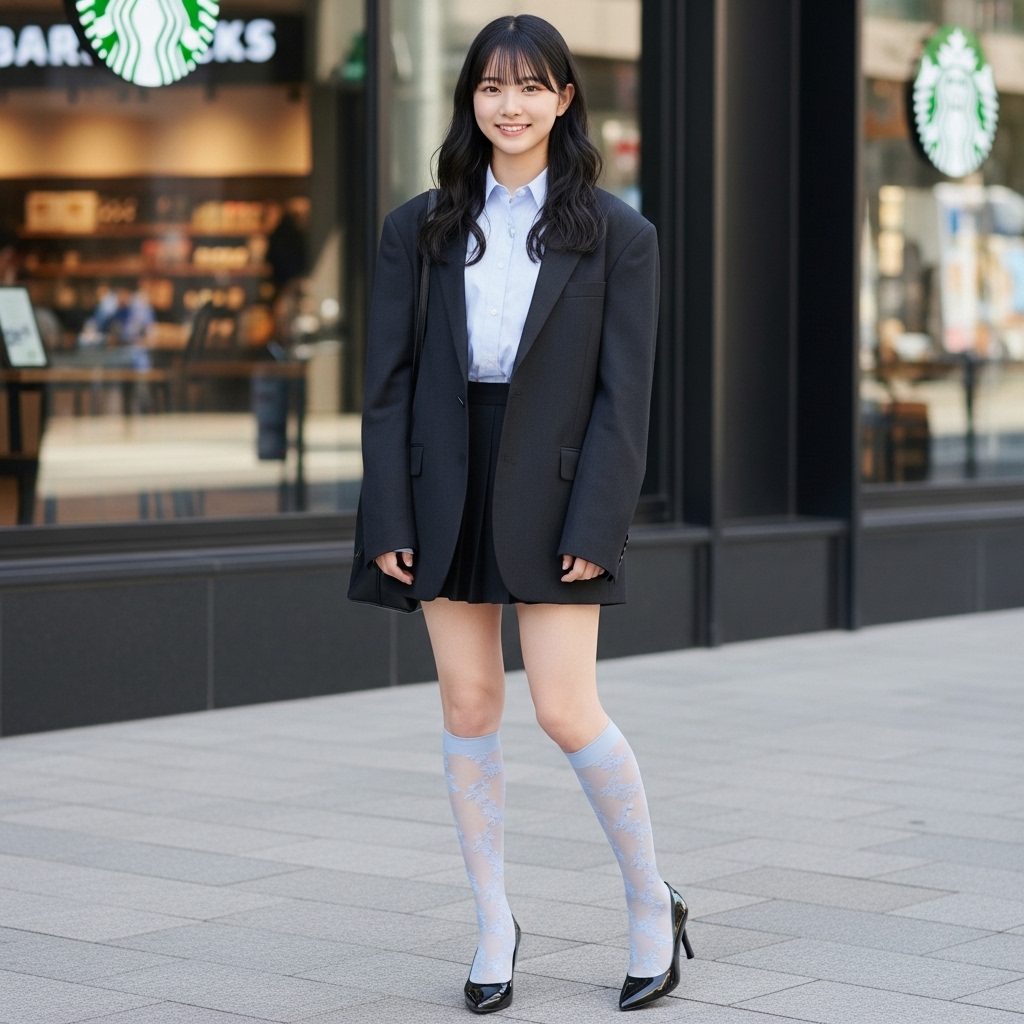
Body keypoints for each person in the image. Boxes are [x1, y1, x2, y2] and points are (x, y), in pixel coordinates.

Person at [358, 15, 692, 1014]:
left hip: (556, 489)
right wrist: (386, 510)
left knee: (561, 707)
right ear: (470, 100)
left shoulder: (619, 234)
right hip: (440, 482)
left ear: (564, 99)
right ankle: (492, 921)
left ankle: (647, 905)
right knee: (467, 705)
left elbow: (622, 397)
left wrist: (599, 523)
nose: (511, 105)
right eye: (492, 87)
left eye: (532, 86)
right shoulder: (416, 226)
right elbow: (386, 382)